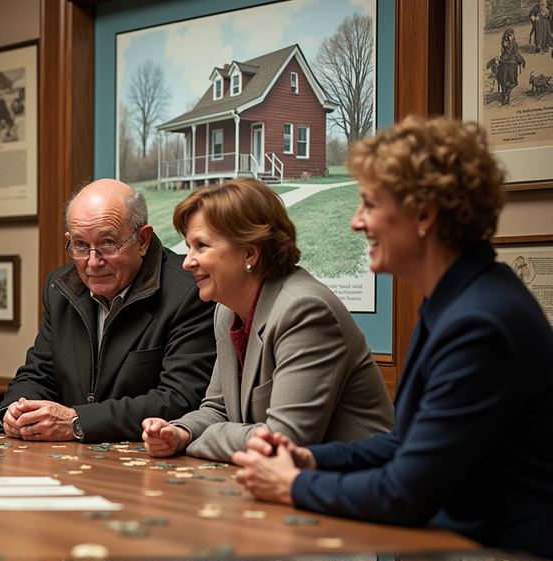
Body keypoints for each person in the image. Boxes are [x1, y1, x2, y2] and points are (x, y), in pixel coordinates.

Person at [231, 116, 553, 558]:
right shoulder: (458, 299)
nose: (356, 222)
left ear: (423, 214)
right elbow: (405, 443)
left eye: (368, 204)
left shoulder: (479, 323)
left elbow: (405, 493)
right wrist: (313, 460)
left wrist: (294, 484)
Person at [141, 179, 394, 462]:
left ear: (250, 251)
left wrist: (203, 439)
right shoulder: (227, 311)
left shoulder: (304, 310)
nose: (187, 262)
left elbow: (283, 442)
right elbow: (217, 409)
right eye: (189, 247)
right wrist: (181, 433)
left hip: (354, 490)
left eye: (201, 245)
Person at [0, 179, 216, 442]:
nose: (93, 262)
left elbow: (180, 398)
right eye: (80, 245)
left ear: (143, 239)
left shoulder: (188, 291)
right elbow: (39, 374)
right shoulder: (60, 288)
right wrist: (15, 411)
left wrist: (77, 421)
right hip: (69, 460)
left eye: (108, 243)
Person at [496, 28, 526, 105]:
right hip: (508, 65)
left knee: (507, 82)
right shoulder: (508, 44)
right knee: (508, 82)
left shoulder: (511, 44)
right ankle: (506, 95)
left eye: (510, 36)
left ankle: (505, 95)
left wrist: (521, 60)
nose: (509, 37)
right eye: (508, 36)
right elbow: (508, 54)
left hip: (508, 65)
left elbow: (515, 54)